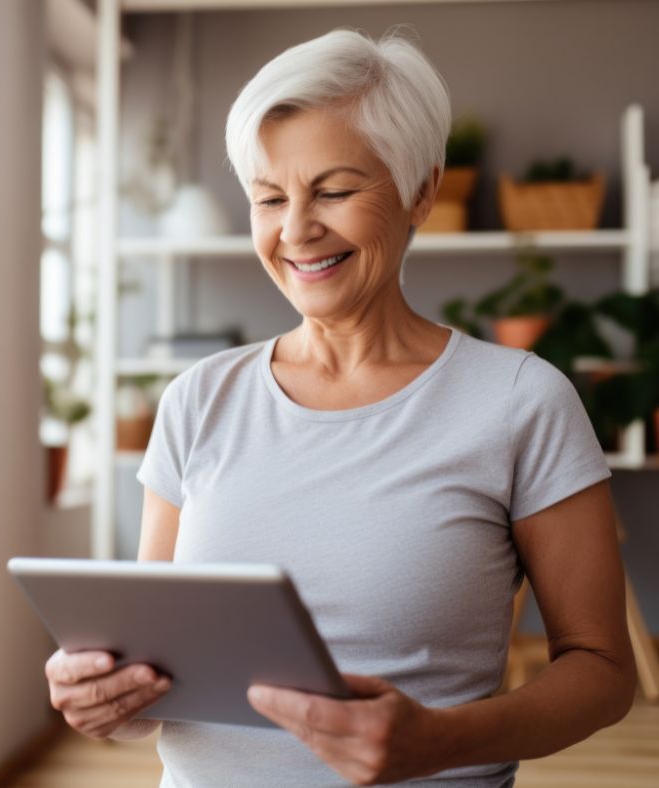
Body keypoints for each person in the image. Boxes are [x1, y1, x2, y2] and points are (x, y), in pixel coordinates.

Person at [44, 28, 636, 786]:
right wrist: (110, 699)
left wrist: (441, 741)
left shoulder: (520, 401)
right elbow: (157, 676)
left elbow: (602, 671)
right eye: (269, 198)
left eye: (333, 190)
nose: (296, 230)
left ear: (421, 187)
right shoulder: (199, 399)